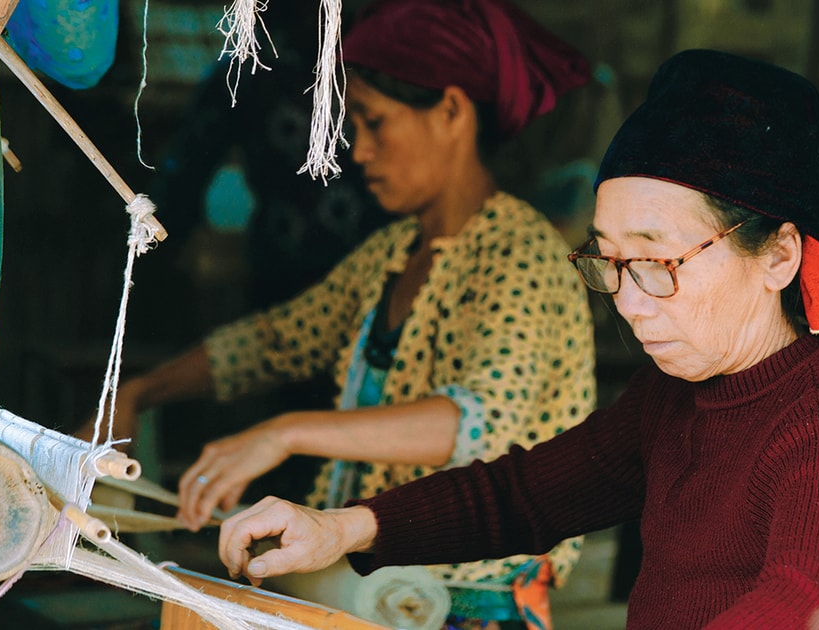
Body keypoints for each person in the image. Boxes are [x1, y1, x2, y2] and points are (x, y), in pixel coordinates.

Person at [215, 49, 819, 629]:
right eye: (609, 263)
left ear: (779, 256)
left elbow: (798, 604)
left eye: (654, 262)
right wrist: (340, 529)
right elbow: (523, 496)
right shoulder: (672, 397)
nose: (629, 302)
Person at [107, 0, 596, 627]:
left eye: (373, 122)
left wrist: (282, 431)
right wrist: (141, 391)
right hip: (361, 599)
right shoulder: (390, 254)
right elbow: (275, 340)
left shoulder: (522, 254)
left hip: (463, 608)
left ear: (451, 111)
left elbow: (477, 423)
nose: (357, 150)